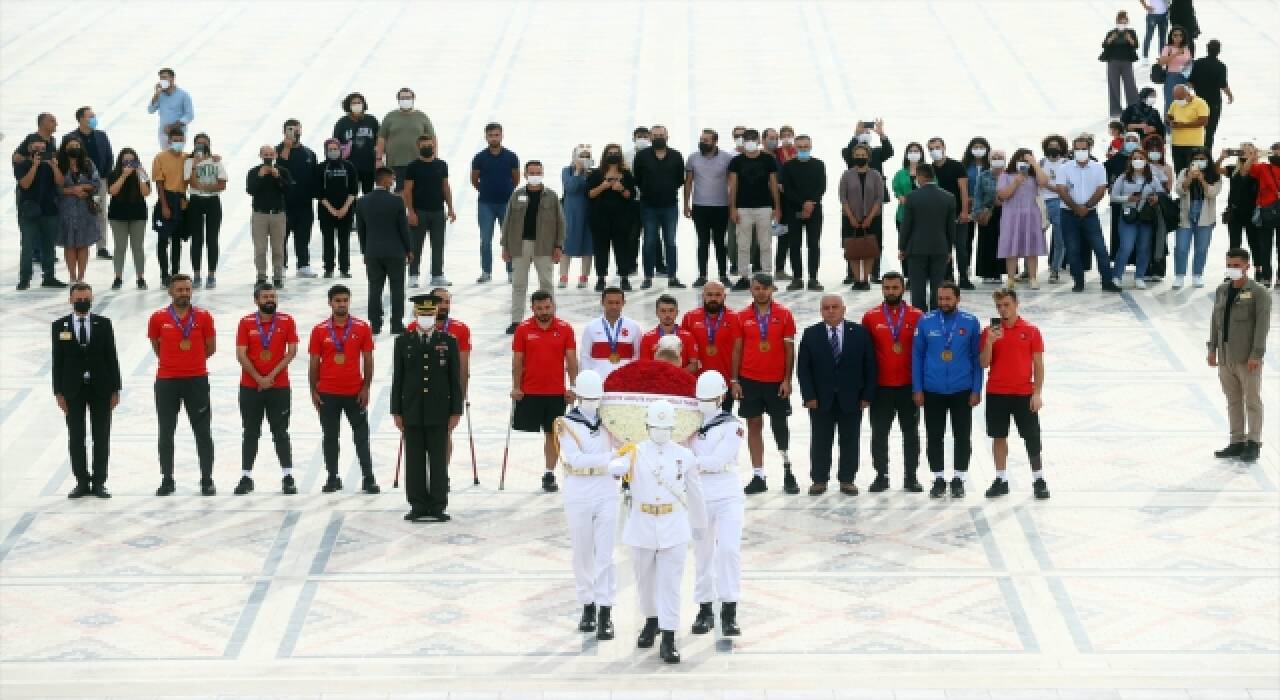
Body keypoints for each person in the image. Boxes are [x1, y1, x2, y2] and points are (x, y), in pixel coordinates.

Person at [609, 400, 707, 664]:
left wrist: (700, 527)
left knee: (671, 585)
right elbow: (616, 467)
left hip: (673, 524)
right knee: (645, 581)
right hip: (642, 523)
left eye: (665, 428)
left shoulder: (684, 456)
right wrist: (615, 466)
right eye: (656, 427)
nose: (661, 432)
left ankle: (669, 637)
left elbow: (695, 494)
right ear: (647, 426)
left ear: (672, 427)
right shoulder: (635, 452)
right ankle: (651, 620)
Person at [554, 369, 619, 640]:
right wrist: (611, 457)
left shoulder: (611, 420)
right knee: (582, 552)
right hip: (579, 488)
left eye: (597, 397)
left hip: (606, 488)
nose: (593, 402)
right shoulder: (565, 423)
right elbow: (575, 460)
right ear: (578, 396)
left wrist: (618, 461)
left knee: (606, 552)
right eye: (589, 397)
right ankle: (587, 605)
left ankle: (605, 610)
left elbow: (623, 448)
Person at [392, 294, 464, 522]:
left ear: (436, 315)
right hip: (411, 410)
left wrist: (456, 411)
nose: (426, 318)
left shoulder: (448, 341)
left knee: (438, 460)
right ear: (415, 315)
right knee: (413, 460)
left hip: (439, 411)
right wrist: (396, 411)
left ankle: (438, 504)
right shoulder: (403, 342)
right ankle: (417, 504)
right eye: (422, 314)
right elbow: (398, 379)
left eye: (430, 314)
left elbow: (455, 379)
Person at [797, 293, 877, 494]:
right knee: (820, 440)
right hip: (820, 400)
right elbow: (803, 369)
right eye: (826, 308)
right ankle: (819, 480)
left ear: (843, 309)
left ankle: (847, 480)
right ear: (821, 311)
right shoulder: (811, 334)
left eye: (835, 307)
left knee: (850, 440)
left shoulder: (859, 333)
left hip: (852, 398)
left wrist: (867, 395)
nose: (830, 311)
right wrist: (809, 396)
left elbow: (870, 365)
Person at [911, 283, 983, 499]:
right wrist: (917, 388)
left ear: (958, 299)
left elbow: (977, 359)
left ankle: (959, 477)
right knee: (934, 435)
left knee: (962, 436)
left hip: (962, 389)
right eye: (940, 299)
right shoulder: (925, 321)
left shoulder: (970, 322)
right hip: (932, 389)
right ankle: (939, 477)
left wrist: (977, 388)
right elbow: (917, 356)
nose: (943, 303)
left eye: (948, 299)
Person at [687, 371, 744, 637]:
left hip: (726, 490)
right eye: (702, 398)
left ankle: (730, 610)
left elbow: (719, 460)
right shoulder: (689, 424)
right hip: (699, 492)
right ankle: (705, 609)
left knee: (729, 551)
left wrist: (691, 462)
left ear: (721, 397)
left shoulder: (732, 425)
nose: (705, 403)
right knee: (703, 553)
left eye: (709, 398)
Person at [52, 282, 121, 499]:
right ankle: (81, 481)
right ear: (71, 300)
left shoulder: (103, 324)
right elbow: (57, 361)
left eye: (86, 298)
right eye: (79, 299)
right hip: (73, 389)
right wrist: (58, 392)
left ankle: (99, 481)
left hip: (101, 387)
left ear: (92, 299)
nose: (83, 302)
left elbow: (111, 356)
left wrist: (116, 388)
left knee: (101, 436)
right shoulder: (59, 326)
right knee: (76, 437)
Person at [149, 275, 216, 496]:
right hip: (167, 381)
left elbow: (211, 347)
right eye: (179, 290)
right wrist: (173, 363)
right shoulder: (158, 318)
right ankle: (167, 479)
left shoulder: (204, 317)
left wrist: (192, 363)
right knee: (166, 431)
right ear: (170, 292)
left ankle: (207, 479)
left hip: (196, 379)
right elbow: (156, 345)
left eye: (187, 289)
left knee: (203, 432)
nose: (184, 294)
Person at [979, 289, 1050, 499]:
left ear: (1016, 304)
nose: (1002, 310)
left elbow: (1038, 364)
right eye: (999, 306)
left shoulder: (1031, 331)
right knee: (998, 436)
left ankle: (1039, 479)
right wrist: (990, 342)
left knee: (1032, 437)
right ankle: (1001, 479)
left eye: (1006, 305)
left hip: (1023, 393)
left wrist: (1037, 394)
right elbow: (983, 363)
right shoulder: (989, 331)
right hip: (996, 393)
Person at [309, 284, 379, 494]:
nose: (342, 304)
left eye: (345, 300)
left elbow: (368, 359)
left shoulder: (362, 327)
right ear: (330, 303)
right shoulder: (319, 330)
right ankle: (332, 477)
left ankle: (368, 477)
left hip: (354, 393)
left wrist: (366, 387)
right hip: (328, 394)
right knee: (330, 436)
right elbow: (314, 362)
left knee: (362, 436)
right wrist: (313, 390)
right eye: (337, 300)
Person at [733, 273, 798, 495]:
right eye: (757, 288)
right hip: (750, 380)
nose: (761, 292)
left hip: (776, 381)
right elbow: (737, 349)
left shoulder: (785, 314)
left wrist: (787, 380)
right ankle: (759, 475)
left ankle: (787, 468)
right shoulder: (741, 316)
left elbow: (790, 350)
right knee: (753, 425)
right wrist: (735, 380)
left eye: (765, 288)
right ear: (751, 289)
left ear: (773, 290)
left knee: (780, 426)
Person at [862, 273, 924, 492]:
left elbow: (923, 353)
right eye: (887, 287)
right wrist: (866, 390)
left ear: (903, 288)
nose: (890, 291)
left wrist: (920, 386)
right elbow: (865, 357)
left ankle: (911, 476)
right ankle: (881, 475)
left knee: (911, 434)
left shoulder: (918, 316)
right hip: (881, 388)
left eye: (895, 287)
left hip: (909, 387)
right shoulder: (871, 317)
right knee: (879, 434)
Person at [234, 283, 299, 496]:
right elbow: (241, 354)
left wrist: (270, 377)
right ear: (256, 300)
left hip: (278, 386)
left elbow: (291, 352)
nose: (270, 299)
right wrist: (258, 378)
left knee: (280, 432)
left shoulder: (287, 321)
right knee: (250, 432)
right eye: (265, 297)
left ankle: (288, 476)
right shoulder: (245, 323)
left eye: (273, 296)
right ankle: (246, 476)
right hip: (250, 387)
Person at [512, 290, 578, 493]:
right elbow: (518, 360)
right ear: (532, 309)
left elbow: (571, 360)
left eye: (547, 307)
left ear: (553, 306)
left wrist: (573, 387)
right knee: (527, 430)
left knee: (553, 435)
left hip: (555, 393)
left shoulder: (565, 329)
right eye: (539, 308)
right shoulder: (523, 329)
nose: (544, 312)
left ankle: (549, 473)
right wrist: (516, 387)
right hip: (529, 392)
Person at [1208, 248, 1270, 463]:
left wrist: (1257, 355)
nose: (1232, 269)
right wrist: (1211, 349)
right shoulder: (1222, 290)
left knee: (1252, 400)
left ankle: (1253, 442)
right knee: (1233, 401)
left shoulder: (1258, 292)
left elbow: (1262, 326)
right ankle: (1237, 441)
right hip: (1226, 358)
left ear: (1247, 266)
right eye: (1229, 265)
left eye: (1236, 266)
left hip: (1247, 358)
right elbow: (1215, 322)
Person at [406, 288, 472, 467]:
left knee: (445, 434)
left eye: (447, 302)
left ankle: (442, 473)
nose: (443, 306)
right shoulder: (413, 328)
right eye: (439, 301)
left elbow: (463, 367)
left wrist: (459, 397)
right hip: (419, 394)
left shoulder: (460, 329)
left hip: (445, 394)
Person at [502, 161, 565, 333]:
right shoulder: (517, 195)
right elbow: (507, 221)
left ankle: (551, 319)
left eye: (538, 172)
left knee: (546, 284)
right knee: (518, 284)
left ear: (542, 173)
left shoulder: (551, 196)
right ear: (525, 174)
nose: (535, 175)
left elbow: (560, 222)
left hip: (544, 246)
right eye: (531, 172)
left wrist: (558, 245)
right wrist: (505, 246)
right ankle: (516, 321)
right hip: (520, 246)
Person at [1056, 137, 1121, 292]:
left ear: (1089, 149)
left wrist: (1086, 206)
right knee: (1072, 249)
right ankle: (1078, 282)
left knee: (1100, 248)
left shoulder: (1098, 167)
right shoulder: (1064, 168)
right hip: (1068, 214)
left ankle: (1107, 281)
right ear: (1073, 150)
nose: (1080, 152)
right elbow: (1061, 190)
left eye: (1083, 149)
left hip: (1090, 214)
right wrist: (1075, 207)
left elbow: (1101, 189)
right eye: (1077, 149)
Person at [357, 168, 412, 335]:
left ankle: (375, 324)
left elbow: (361, 230)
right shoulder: (396, 201)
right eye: (392, 178)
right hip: (395, 252)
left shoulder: (362, 201)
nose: (394, 181)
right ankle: (396, 324)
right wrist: (409, 249)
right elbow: (403, 228)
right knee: (397, 289)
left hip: (373, 252)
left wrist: (365, 252)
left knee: (374, 288)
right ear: (385, 180)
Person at [728, 129, 782, 290]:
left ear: (759, 141)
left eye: (753, 138)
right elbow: (733, 186)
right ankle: (744, 277)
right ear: (743, 142)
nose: (750, 141)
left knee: (765, 243)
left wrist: (777, 207)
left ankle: (767, 276)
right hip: (743, 208)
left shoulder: (768, 160)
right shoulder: (736, 161)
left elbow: (773, 184)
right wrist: (733, 208)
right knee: (743, 244)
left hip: (764, 207)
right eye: (747, 139)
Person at [634, 125, 686, 289]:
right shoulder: (642, 156)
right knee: (649, 241)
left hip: (670, 206)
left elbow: (679, 180)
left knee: (670, 241)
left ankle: (672, 277)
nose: (658, 137)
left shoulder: (676, 156)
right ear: (650, 137)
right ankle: (648, 277)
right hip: (648, 206)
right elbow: (638, 179)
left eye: (661, 135)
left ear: (667, 136)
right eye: (655, 135)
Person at [899, 164, 956, 310]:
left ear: (920, 176)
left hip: (916, 248)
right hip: (940, 247)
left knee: (917, 287)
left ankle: (919, 317)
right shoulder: (949, 197)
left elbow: (906, 225)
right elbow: (950, 227)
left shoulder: (912, 197)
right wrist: (949, 249)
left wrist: (902, 247)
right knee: (938, 286)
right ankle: (936, 317)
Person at [403, 134, 456, 288]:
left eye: (430, 145)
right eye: (424, 145)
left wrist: (451, 208)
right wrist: (411, 212)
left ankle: (437, 275)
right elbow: (407, 190)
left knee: (438, 245)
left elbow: (445, 187)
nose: (428, 148)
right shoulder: (413, 166)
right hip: (419, 211)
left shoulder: (442, 165)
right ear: (418, 147)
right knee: (416, 245)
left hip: (438, 211)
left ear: (434, 146)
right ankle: (413, 275)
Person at [61, 106, 113, 260]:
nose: (93, 119)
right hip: (76, 182)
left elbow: (109, 157)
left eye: (94, 116)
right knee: (74, 214)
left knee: (100, 212)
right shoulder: (70, 137)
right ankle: (74, 243)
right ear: (81, 119)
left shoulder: (101, 135)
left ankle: (101, 247)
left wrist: (106, 178)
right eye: (90, 116)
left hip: (98, 182)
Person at [681, 281, 743, 411]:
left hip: (724, 383)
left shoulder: (735, 318)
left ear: (724, 297)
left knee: (722, 423)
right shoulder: (690, 318)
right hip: (696, 383)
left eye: (717, 295)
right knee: (697, 425)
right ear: (703, 296)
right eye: (709, 295)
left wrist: (734, 381)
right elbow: (685, 352)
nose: (713, 298)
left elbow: (738, 351)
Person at [776, 135, 826, 291]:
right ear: (795, 148)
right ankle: (797, 278)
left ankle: (813, 278)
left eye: (806, 146)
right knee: (795, 244)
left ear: (810, 147)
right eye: (800, 147)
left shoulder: (819, 164)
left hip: (814, 210)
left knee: (813, 245)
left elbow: (821, 186)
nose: (803, 149)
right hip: (793, 210)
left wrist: (811, 203)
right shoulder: (788, 166)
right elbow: (786, 189)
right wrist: (803, 204)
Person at [685, 129, 735, 287]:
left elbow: (732, 183)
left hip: (721, 206)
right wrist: (686, 204)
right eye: (701, 139)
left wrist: (732, 206)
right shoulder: (693, 158)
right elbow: (688, 182)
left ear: (715, 141)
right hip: (700, 207)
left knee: (720, 241)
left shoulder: (727, 158)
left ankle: (723, 274)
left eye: (706, 140)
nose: (703, 142)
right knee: (703, 241)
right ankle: (702, 275)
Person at [471, 122, 519, 283]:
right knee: (485, 240)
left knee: (509, 238)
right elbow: (474, 180)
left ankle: (511, 271)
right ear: (486, 137)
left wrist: (505, 190)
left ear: (502, 135)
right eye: (490, 135)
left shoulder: (511, 157)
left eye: (496, 135)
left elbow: (515, 179)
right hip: (485, 204)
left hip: (506, 203)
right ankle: (486, 271)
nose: (493, 138)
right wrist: (485, 190)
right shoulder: (479, 158)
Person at [1109, 149, 1164, 289]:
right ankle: (1116, 276)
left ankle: (1139, 276)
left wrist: (1155, 198)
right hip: (1128, 216)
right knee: (1126, 247)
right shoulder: (1123, 177)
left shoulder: (1152, 178)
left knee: (1144, 247)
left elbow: (1162, 194)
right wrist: (1128, 198)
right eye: (1135, 158)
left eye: (1140, 158)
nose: (1138, 160)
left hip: (1146, 217)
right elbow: (1113, 196)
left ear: (1146, 161)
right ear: (1131, 161)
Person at [587, 144, 638, 291]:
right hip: (599, 218)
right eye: (610, 153)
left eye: (616, 153)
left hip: (622, 218)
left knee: (622, 248)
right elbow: (589, 194)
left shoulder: (627, 174)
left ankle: (624, 277)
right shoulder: (596, 174)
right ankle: (601, 278)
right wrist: (603, 186)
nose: (613, 155)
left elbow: (631, 196)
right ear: (605, 155)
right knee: (600, 248)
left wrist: (621, 188)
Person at [994, 149, 1048, 288]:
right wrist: (1016, 182)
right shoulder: (1005, 175)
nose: (1023, 163)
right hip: (1011, 215)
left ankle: (1033, 278)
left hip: (1031, 215)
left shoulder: (1034, 176)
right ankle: (1011, 278)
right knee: (1011, 247)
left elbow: (1044, 182)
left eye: (1026, 160)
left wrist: (1035, 164)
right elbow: (1003, 195)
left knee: (1031, 248)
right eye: (1020, 160)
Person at [1220, 144, 1270, 286]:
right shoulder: (1234, 169)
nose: (1244, 153)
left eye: (1248, 151)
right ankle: (1232, 272)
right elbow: (1218, 170)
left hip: (1252, 212)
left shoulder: (1258, 169)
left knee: (1255, 243)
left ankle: (1258, 270)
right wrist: (1221, 158)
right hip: (1235, 212)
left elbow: (1246, 172)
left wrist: (1254, 159)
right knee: (1234, 242)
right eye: (1242, 150)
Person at [1172, 148, 1222, 289]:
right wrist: (1189, 178)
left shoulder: (1215, 175)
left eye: (1202, 159)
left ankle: (1197, 274)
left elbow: (1213, 193)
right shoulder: (1184, 172)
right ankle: (1179, 275)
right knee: (1181, 248)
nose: (1199, 162)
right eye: (1196, 159)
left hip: (1205, 218)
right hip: (1186, 216)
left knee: (1201, 248)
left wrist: (1202, 180)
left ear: (1208, 160)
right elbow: (1179, 190)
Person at [183, 133, 227, 288]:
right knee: (196, 239)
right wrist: (195, 164)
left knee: (212, 238)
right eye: (198, 144)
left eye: (204, 144)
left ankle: (211, 274)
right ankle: (196, 274)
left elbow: (222, 185)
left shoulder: (216, 161)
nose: (201, 146)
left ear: (209, 145)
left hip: (213, 202)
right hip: (195, 201)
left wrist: (206, 187)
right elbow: (192, 184)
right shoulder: (189, 162)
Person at [839, 143, 885, 290]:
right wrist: (851, 216)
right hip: (850, 218)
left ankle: (865, 279)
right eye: (857, 155)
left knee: (868, 248)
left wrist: (870, 217)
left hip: (873, 217)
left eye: (863, 155)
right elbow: (843, 197)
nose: (860, 158)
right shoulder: (847, 175)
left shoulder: (876, 174)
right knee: (853, 248)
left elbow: (879, 198)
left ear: (868, 157)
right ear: (853, 157)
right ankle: (857, 279)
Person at [246, 145, 292, 288]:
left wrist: (277, 177)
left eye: (271, 154)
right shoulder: (254, 172)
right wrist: (260, 176)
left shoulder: (282, 171)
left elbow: (288, 189)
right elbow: (251, 190)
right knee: (260, 248)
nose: (268, 157)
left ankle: (278, 277)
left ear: (275, 155)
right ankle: (261, 276)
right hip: (259, 214)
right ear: (260, 156)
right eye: (265, 154)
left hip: (278, 214)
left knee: (278, 248)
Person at [56, 138, 101, 283]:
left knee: (83, 244)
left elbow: (96, 183)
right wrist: (72, 191)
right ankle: (72, 276)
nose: (75, 148)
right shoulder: (59, 164)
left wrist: (81, 188)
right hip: (66, 210)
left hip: (84, 210)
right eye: (71, 146)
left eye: (77, 145)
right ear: (65, 148)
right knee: (69, 244)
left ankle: (81, 276)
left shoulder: (88, 163)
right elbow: (56, 188)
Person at [276, 120, 317, 278]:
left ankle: (303, 264)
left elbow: (314, 176)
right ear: (284, 131)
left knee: (303, 235)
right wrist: (286, 147)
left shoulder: (309, 153)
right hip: (283, 202)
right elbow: (278, 168)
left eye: (297, 129)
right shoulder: (276, 151)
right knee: (281, 237)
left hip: (304, 203)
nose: (294, 132)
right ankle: (282, 265)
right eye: (290, 129)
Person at [927, 138, 971, 285]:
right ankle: (948, 277)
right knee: (943, 249)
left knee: (961, 247)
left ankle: (964, 277)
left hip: (958, 214)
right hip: (937, 217)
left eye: (937, 147)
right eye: (931, 149)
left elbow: (963, 189)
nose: (935, 151)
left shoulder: (957, 166)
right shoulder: (929, 170)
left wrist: (965, 211)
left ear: (944, 147)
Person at [315, 138, 359, 280]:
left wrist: (344, 208)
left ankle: (345, 269)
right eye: (330, 149)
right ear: (326, 151)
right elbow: (318, 192)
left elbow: (354, 190)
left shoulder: (349, 166)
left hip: (346, 210)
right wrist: (332, 210)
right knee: (328, 240)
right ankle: (328, 268)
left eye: (335, 149)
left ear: (340, 150)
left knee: (344, 241)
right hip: (326, 210)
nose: (333, 152)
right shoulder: (321, 167)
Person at [106, 149, 150, 290]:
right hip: (118, 215)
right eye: (126, 161)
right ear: (121, 161)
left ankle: (140, 277)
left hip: (138, 214)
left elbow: (146, 192)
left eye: (132, 160)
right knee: (120, 247)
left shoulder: (141, 173)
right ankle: (118, 277)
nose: (129, 164)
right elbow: (113, 191)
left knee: (138, 247)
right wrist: (124, 176)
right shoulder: (114, 174)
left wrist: (140, 174)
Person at [151, 127, 189, 287]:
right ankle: (164, 273)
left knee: (177, 239)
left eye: (181, 140)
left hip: (181, 199)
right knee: (162, 239)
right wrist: (164, 205)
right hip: (166, 196)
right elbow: (159, 183)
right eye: (175, 140)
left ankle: (175, 273)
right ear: (169, 141)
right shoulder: (160, 157)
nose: (178, 143)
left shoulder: (188, 157)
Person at [376, 87, 435, 191]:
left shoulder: (422, 116)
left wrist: (434, 156)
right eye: (402, 98)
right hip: (395, 163)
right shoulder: (390, 116)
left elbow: (432, 137)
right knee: (398, 192)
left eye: (408, 97)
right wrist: (379, 159)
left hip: (418, 162)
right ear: (398, 99)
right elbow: (381, 138)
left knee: (418, 191)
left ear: (413, 98)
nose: (405, 100)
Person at [332, 92, 379, 199]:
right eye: (354, 103)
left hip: (368, 165)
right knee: (350, 196)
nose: (357, 105)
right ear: (348, 105)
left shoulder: (371, 120)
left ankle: (366, 216)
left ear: (363, 104)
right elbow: (335, 143)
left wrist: (378, 158)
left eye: (359, 102)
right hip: (349, 166)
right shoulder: (342, 122)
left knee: (369, 195)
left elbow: (379, 140)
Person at [1188, 40, 1233, 153]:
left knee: (1198, 127)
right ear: (1219, 51)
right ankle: (1207, 152)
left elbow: (1190, 82)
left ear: (1207, 48)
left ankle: (1195, 151)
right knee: (1210, 130)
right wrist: (1230, 96)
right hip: (1214, 102)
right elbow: (1223, 85)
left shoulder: (1198, 63)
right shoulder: (1221, 66)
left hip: (1199, 101)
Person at [560, 145, 594, 289]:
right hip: (572, 211)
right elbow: (570, 188)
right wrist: (578, 172)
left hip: (589, 212)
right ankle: (563, 275)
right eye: (582, 156)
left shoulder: (593, 172)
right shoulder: (567, 171)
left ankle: (584, 276)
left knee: (588, 244)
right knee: (567, 243)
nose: (584, 159)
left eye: (587, 156)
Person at [1039, 135, 1071, 284]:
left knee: (1059, 239)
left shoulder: (1066, 163)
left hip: (1059, 202)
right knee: (1035, 237)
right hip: (1042, 203)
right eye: (1050, 145)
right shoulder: (1041, 163)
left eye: (1056, 146)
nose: (1053, 148)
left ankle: (1055, 269)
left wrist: (1049, 186)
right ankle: (1028, 269)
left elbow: (1067, 187)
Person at [639, 295, 699, 373]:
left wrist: (675, 376)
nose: (667, 315)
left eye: (671, 310)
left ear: (677, 312)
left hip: (680, 381)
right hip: (657, 382)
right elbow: (645, 365)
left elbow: (694, 364)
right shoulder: (647, 338)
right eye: (663, 311)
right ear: (657, 313)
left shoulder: (688, 336)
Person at [1102, 12, 1141, 117]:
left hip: (1126, 62)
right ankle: (1115, 111)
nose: (1122, 22)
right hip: (1113, 62)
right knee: (1113, 85)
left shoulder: (1131, 32)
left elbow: (1136, 45)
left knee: (1130, 85)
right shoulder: (1111, 32)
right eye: (1120, 20)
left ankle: (1134, 108)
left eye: (1124, 20)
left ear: (1127, 21)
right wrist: (1111, 39)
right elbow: (1104, 44)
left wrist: (1129, 39)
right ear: (1117, 21)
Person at [1166, 84, 1211, 174]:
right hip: (1177, 143)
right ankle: (1181, 188)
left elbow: (1204, 121)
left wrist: (1184, 125)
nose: (1178, 100)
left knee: (1194, 171)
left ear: (1188, 94)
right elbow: (1168, 116)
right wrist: (1169, 121)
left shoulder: (1200, 103)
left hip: (1194, 144)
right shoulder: (1175, 103)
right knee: (1179, 172)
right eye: (1176, 98)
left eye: (1180, 98)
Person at [146, 68, 194, 149]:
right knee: (165, 157)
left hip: (178, 134)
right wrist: (156, 94)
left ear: (172, 78)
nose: (162, 80)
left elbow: (189, 115)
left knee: (176, 156)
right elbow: (150, 110)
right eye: (161, 78)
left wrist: (173, 126)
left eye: (165, 77)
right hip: (163, 133)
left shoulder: (183, 95)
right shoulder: (160, 95)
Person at [1157, 26, 1193, 113]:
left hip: (1184, 77)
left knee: (1184, 103)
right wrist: (1176, 54)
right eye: (1175, 35)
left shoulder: (1186, 48)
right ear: (1171, 36)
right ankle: (1168, 126)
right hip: (1172, 77)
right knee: (1170, 103)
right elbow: (1162, 62)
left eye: (1180, 35)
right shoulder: (1167, 48)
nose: (1178, 38)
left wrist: (1190, 80)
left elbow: (1190, 63)